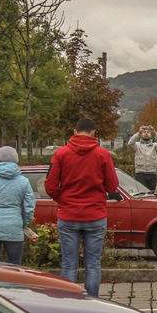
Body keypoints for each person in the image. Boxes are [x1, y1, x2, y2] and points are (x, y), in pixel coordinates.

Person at [44, 117, 119, 297]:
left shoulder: (61, 154)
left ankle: (70, 303)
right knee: (93, 264)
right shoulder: (103, 155)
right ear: (94, 132)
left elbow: (50, 186)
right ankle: (92, 304)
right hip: (95, 215)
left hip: (69, 215)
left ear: (74, 131)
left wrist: (63, 200)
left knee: (69, 264)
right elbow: (112, 186)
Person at [126, 124, 157, 192]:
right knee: (141, 192)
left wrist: (155, 133)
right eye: (144, 132)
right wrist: (138, 133)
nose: (146, 133)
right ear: (141, 134)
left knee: (151, 193)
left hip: (152, 173)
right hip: (140, 173)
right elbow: (130, 143)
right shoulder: (137, 145)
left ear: (151, 134)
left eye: (148, 132)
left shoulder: (154, 146)